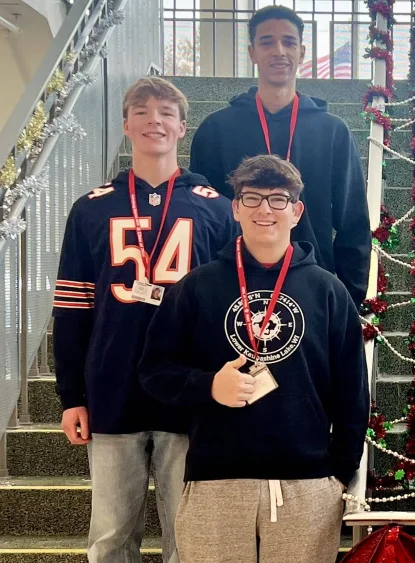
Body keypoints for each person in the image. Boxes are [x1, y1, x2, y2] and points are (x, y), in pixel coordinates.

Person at [138, 155, 369, 563]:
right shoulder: (196, 288)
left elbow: (352, 390)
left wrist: (338, 472)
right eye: (252, 198)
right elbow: (155, 371)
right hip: (216, 478)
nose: (265, 209)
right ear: (235, 208)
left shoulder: (328, 291)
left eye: (279, 199)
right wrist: (208, 385)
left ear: (296, 212)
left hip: (308, 483)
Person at [51, 77, 237, 563]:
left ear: (182, 127)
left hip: (189, 390)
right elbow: (72, 308)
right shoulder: (92, 209)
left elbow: (228, 309)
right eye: (142, 110)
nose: (154, 119)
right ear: (127, 124)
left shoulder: (216, 209)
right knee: (111, 535)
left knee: (190, 536)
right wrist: (71, 395)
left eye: (166, 112)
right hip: (113, 385)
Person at [189, 5, 370, 307]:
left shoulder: (332, 132)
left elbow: (354, 222)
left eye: (288, 42)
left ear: (302, 52)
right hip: (232, 289)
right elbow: (203, 220)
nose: (278, 50)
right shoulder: (215, 130)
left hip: (313, 289)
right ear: (252, 52)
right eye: (267, 41)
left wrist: (348, 298)